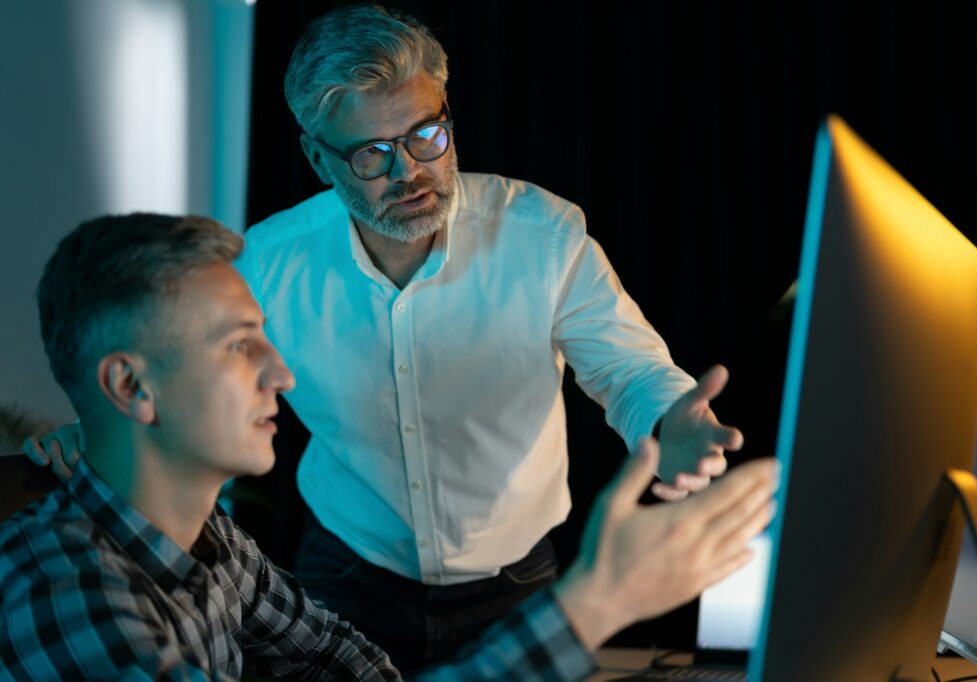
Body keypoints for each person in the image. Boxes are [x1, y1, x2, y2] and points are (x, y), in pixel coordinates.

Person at [26, 4, 748, 670]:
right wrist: (99, 434)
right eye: (372, 153)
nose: (410, 171)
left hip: (517, 577)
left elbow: (627, 371)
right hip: (347, 575)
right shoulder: (266, 263)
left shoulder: (543, 236)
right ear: (318, 158)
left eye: (426, 135)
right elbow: (180, 358)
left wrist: (671, 420)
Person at [3, 212, 777, 680]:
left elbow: (358, 669)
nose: (284, 373)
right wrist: (599, 601)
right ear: (131, 388)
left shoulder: (217, 549)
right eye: (243, 345)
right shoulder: (64, 589)